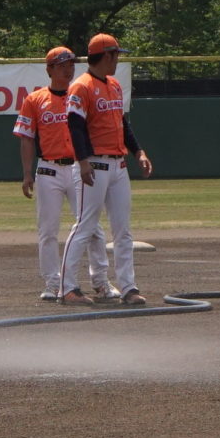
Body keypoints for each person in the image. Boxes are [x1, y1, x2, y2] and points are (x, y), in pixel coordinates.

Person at [61, 33, 151, 307]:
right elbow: (75, 127)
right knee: (85, 226)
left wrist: (139, 152)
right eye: (115, 55)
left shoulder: (114, 85)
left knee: (123, 230)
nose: (117, 60)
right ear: (106, 55)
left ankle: (128, 287)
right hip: (95, 165)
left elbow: (123, 125)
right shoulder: (81, 87)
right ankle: (67, 288)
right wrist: (83, 160)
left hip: (118, 165)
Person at [14, 46, 106, 302]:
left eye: (71, 63)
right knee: (48, 230)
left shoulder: (82, 94)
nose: (69, 68)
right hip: (49, 169)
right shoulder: (35, 99)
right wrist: (26, 173)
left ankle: (101, 282)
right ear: (50, 69)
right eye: (63, 64)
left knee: (93, 227)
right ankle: (53, 283)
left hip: (79, 167)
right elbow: (26, 138)